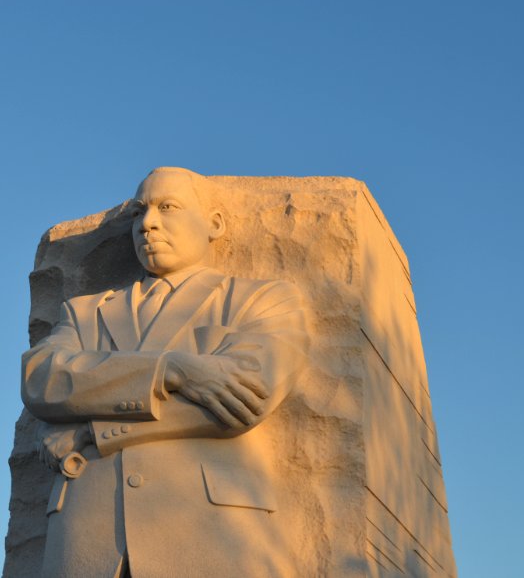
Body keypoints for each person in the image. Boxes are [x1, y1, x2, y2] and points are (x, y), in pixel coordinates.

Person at [21, 167, 311, 578]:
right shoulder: (85, 312)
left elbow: (245, 400)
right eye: (140, 212)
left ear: (214, 224)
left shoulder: (261, 300)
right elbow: (42, 379)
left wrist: (91, 431)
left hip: (210, 531)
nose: (148, 223)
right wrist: (170, 369)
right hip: (87, 537)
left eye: (167, 207)